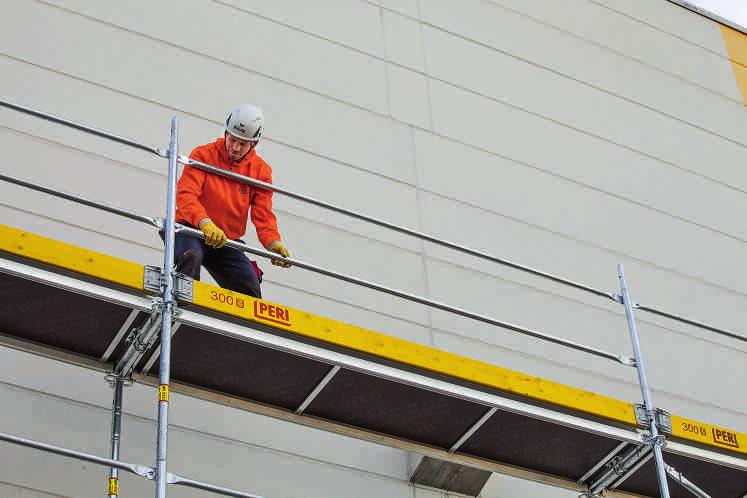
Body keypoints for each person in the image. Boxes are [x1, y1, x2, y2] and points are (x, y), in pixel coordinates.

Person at [173, 103, 291, 298]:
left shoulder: (260, 172)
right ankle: (183, 311)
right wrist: (205, 223)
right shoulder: (203, 155)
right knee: (191, 257)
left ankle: (242, 328)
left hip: (225, 241)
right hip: (191, 229)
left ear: (253, 144)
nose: (235, 147)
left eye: (242, 143)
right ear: (226, 133)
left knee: (249, 286)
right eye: (232, 139)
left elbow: (263, 216)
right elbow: (186, 196)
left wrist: (273, 243)